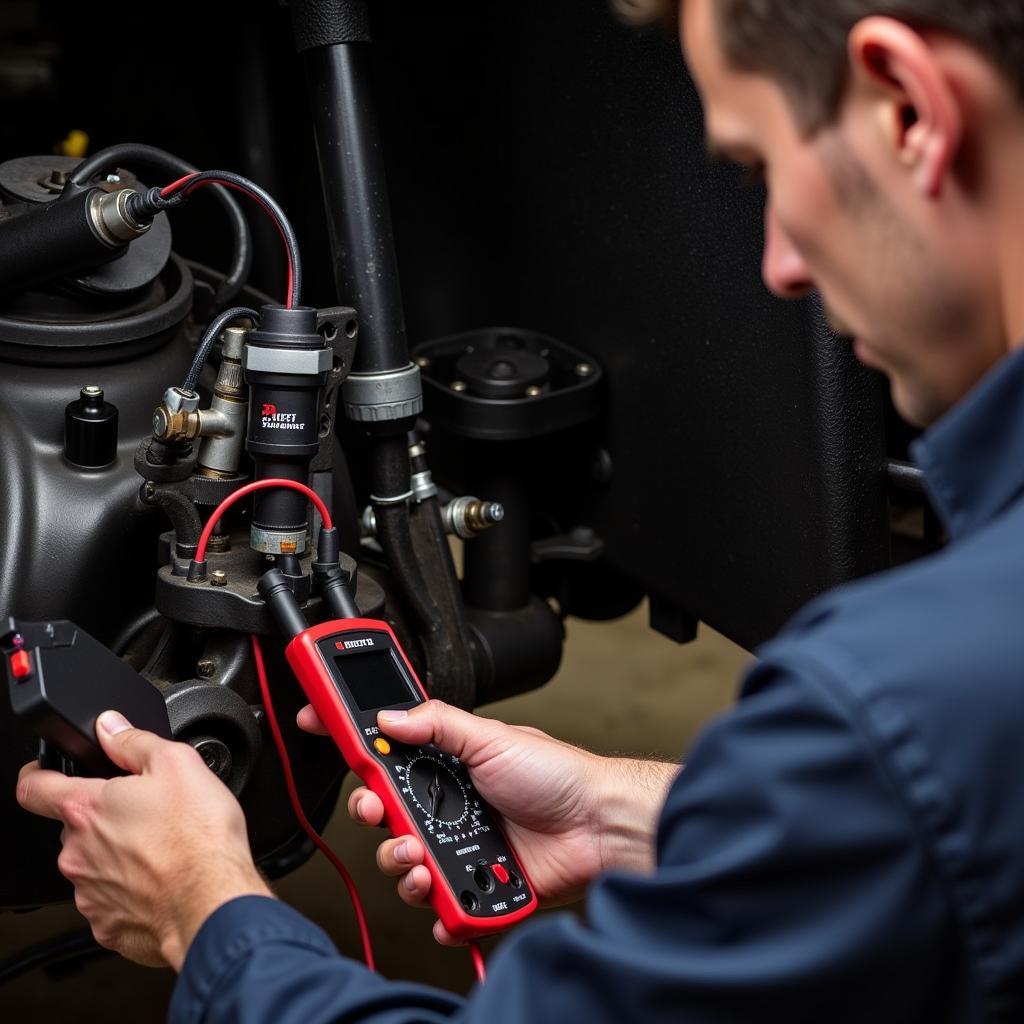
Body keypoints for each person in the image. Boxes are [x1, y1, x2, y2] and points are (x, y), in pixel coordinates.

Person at [16, 0, 1024, 1019]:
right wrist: (635, 814)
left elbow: (913, 767)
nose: (778, 267)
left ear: (909, 109)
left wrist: (203, 910)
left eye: (759, 170)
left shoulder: (897, 702)